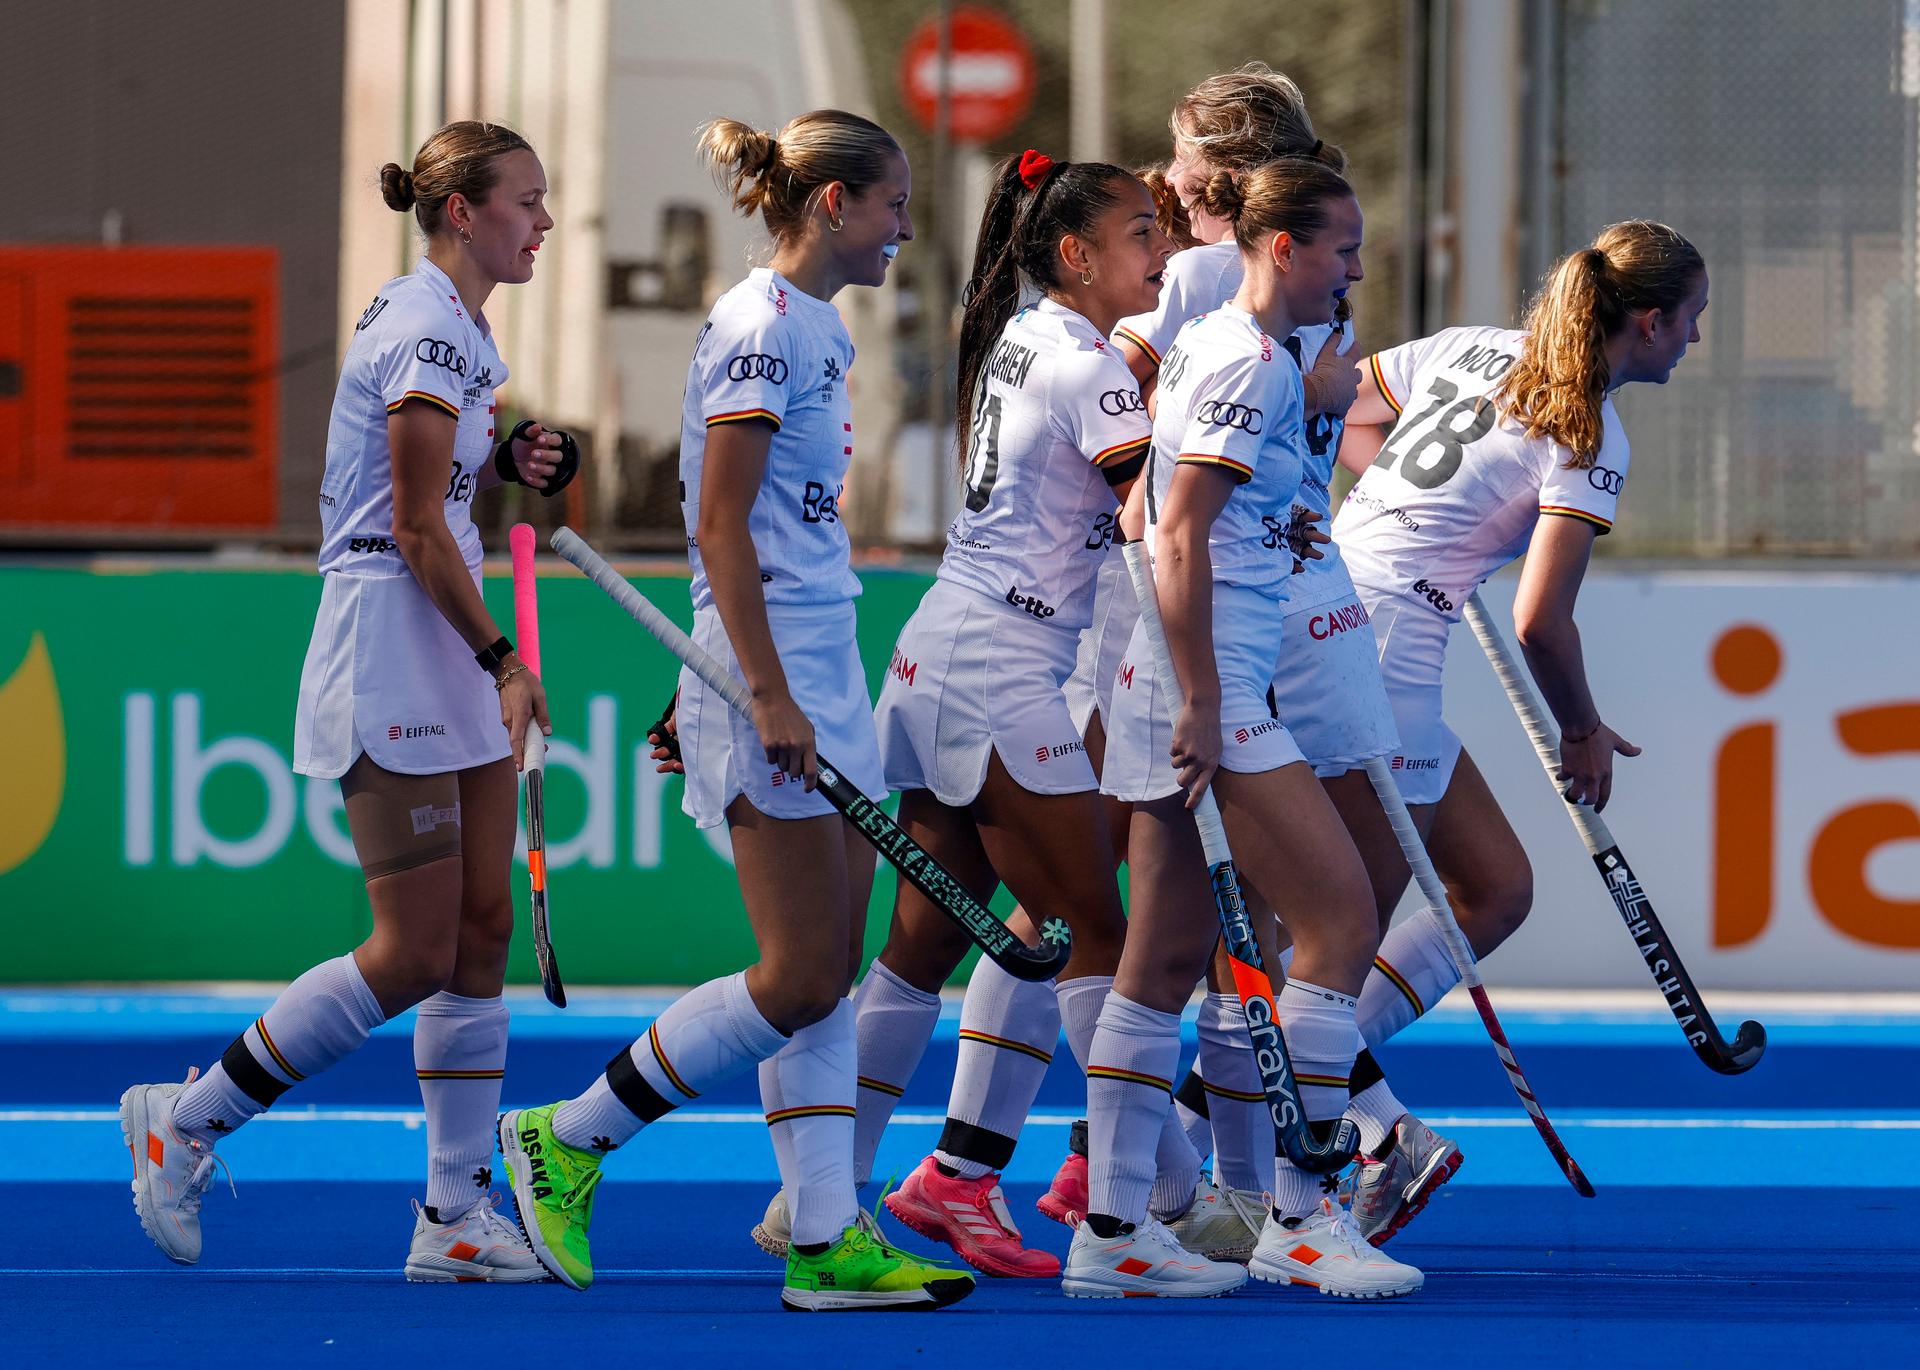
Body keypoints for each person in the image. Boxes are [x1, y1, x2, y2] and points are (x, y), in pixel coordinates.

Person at [496, 109, 972, 1313]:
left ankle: (824, 1235)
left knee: (827, 970)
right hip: (780, 675)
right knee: (801, 973)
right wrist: (757, 687)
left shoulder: (812, 323)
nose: (903, 228)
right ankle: (570, 1134)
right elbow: (718, 525)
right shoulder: (766, 326)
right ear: (833, 203)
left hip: (816, 661)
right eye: (893, 204)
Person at [119, 120, 573, 1282]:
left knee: (481, 931)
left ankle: (454, 1210)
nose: (544, 220)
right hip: (394, 633)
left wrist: (507, 457)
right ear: (463, 212)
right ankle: (188, 1119)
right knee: (414, 947)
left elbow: (438, 488)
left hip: (442, 625)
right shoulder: (426, 326)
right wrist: (503, 658)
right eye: (526, 200)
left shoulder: (460, 329)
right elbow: (411, 525)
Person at [748, 150, 1173, 1280]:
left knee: (925, 944)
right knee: (1092, 936)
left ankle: (815, 1195)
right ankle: (1136, 1219)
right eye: (1141, 231)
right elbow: (1162, 525)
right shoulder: (1089, 364)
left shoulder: (1025, 331)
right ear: (1075, 253)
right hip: (1002, 667)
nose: (1161, 248)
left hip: (947, 646)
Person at [1065, 156, 1422, 1300]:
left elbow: (1187, 515)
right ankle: (1301, 1218)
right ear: (1282, 247)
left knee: (1163, 959)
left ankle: (1112, 1231)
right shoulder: (1248, 361)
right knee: (1339, 916)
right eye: (1342, 248)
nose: (1355, 269)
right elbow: (1171, 532)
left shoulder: (1240, 352)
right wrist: (1206, 699)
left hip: (1193, 674)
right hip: (1208, 682)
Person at [1328, 221, 1707, 1175]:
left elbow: (1334, 403)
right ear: (1650, 323)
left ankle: (1319, 1098)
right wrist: (1581, 730)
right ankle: (1271, 1161)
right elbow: (1542, 621)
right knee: (1334, 942)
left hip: (1328, 605)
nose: (1697, 337)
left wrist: (1425, 519)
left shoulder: (1467, 346)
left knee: (1495, 888)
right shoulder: (1590, 431)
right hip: (1384, 656)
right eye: (1693, 318)